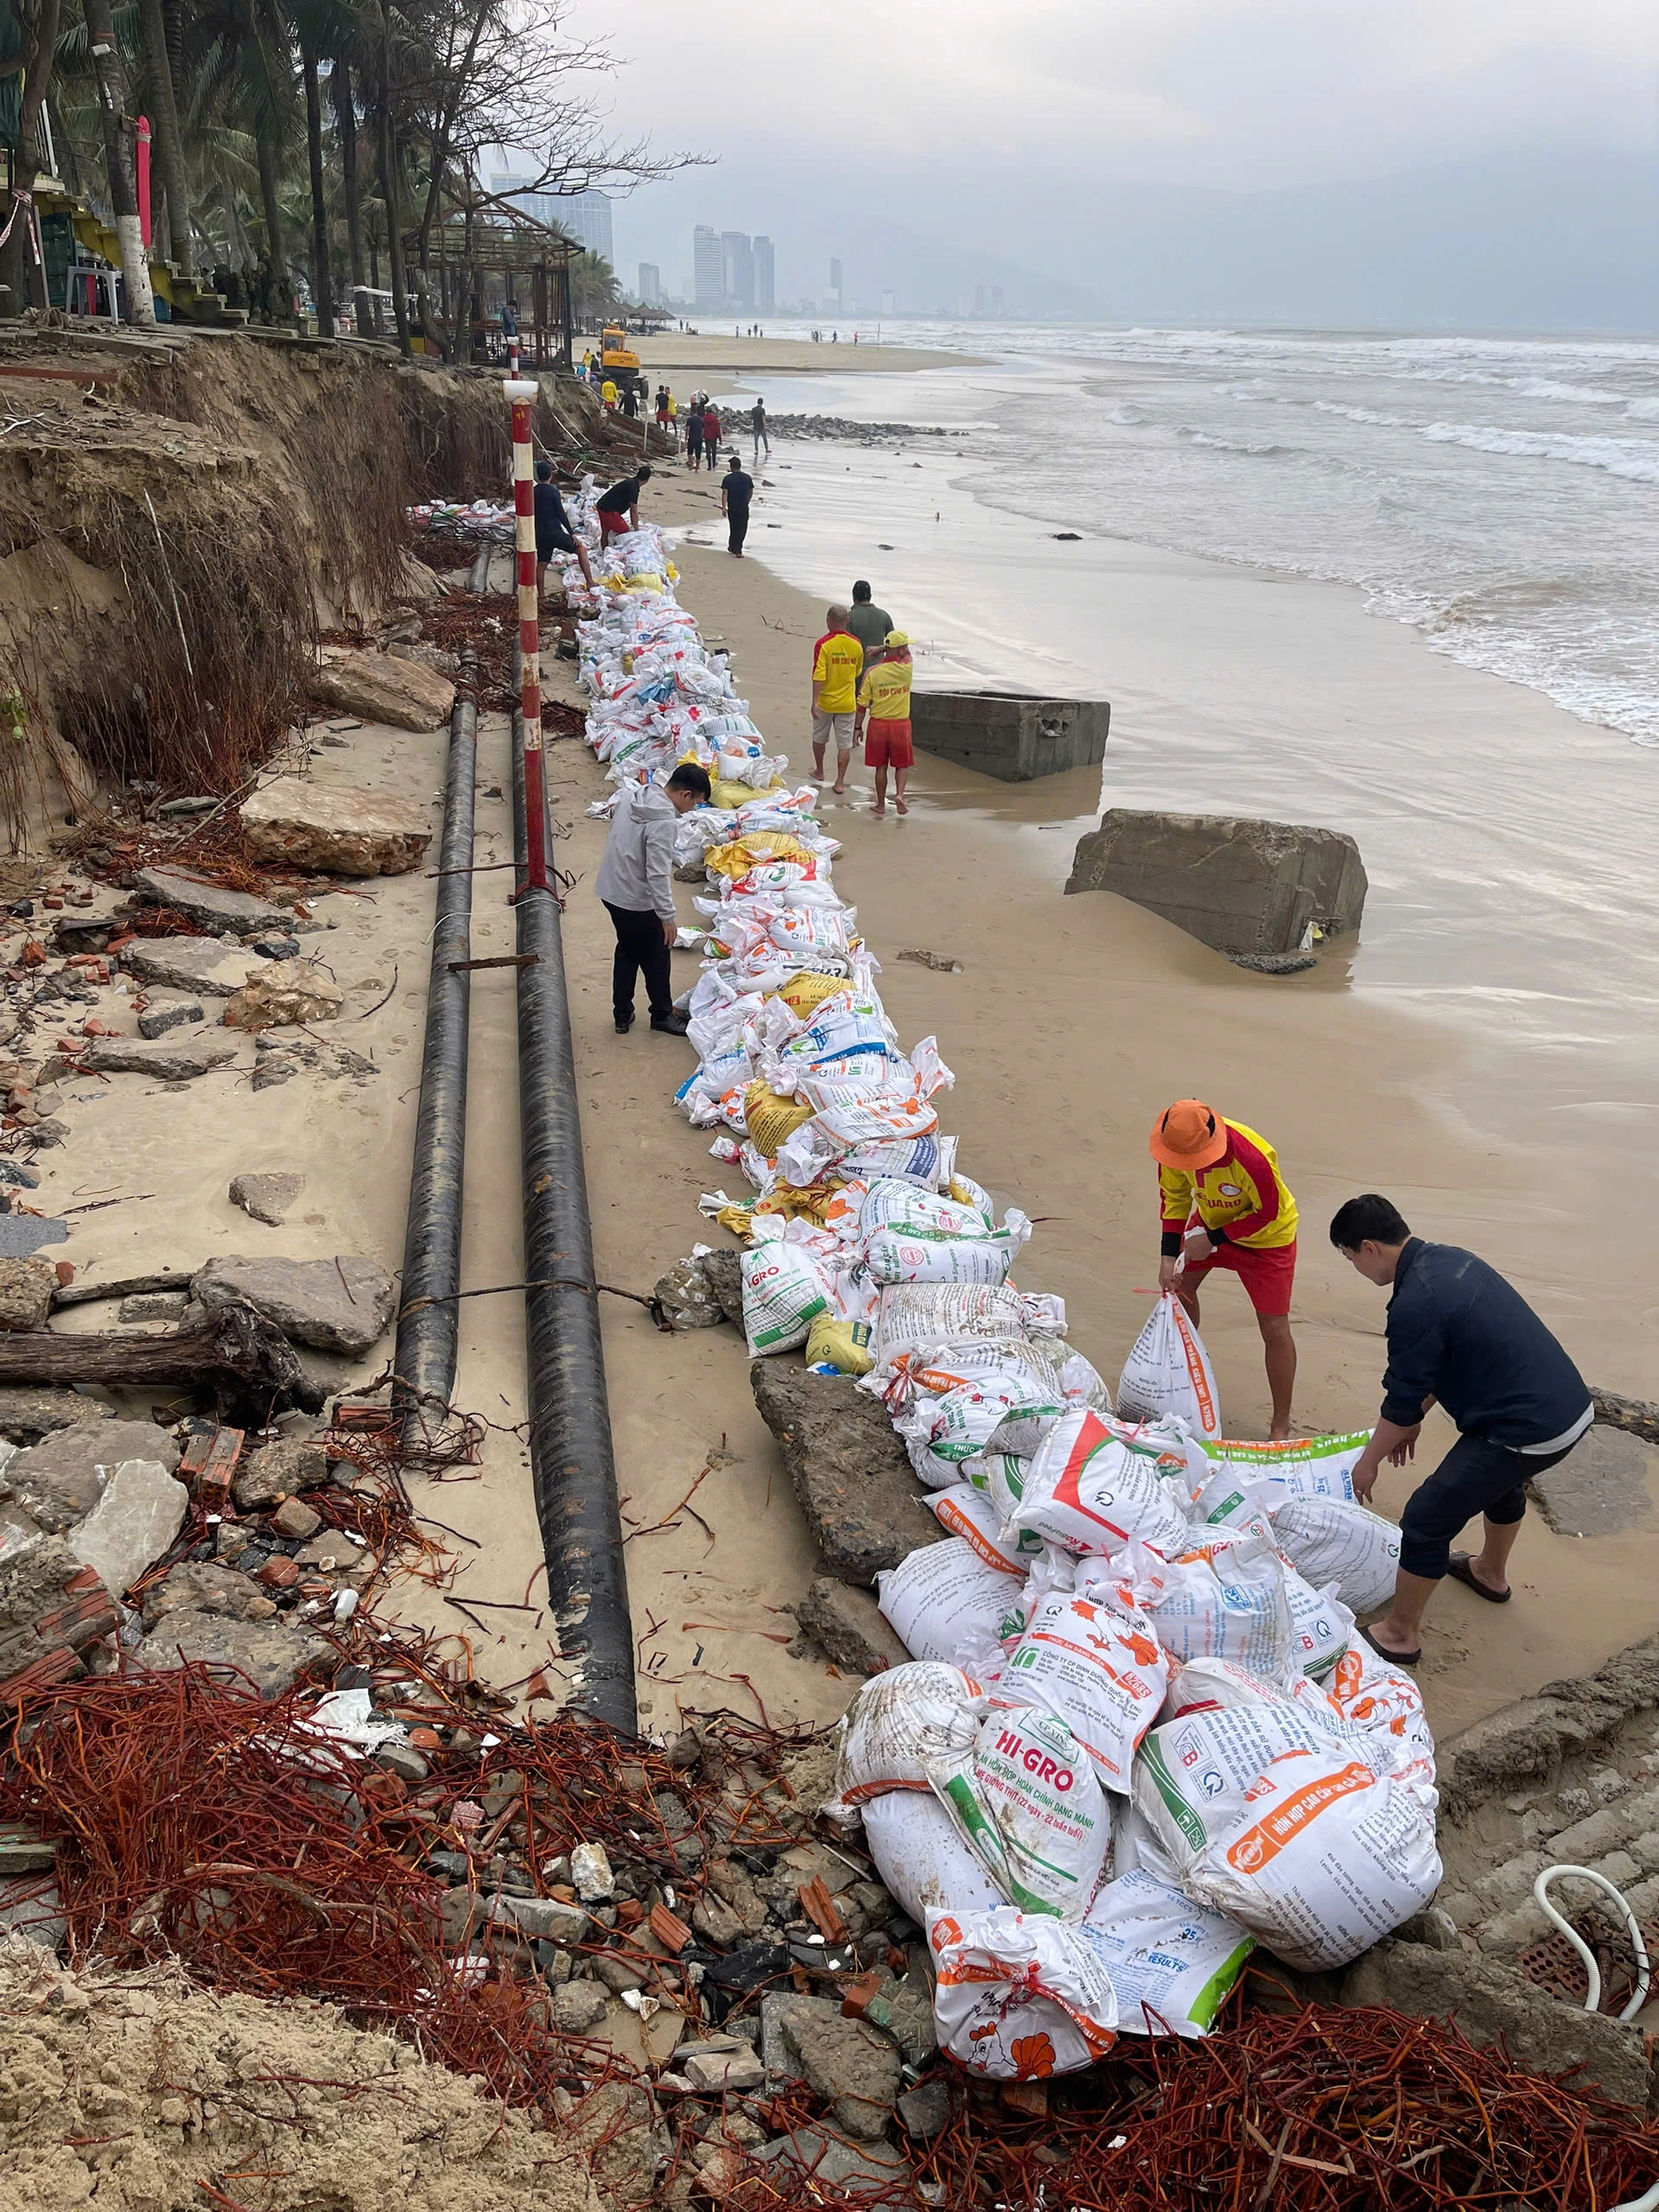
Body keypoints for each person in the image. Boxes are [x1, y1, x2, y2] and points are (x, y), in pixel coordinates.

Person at [1330, 1195, 1593, 1667]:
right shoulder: (1451, 1260)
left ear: (1369, 1248)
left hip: (1526, 1427)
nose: (1355, 1267)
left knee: (1427, 1518)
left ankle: (1399, 1634)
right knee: (1499, 1481)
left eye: (1350, 1257)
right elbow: (1441, 1364)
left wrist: (1367, 1462)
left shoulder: (1412, 1303)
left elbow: (1403, 1397)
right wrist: (1414, 1418)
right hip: (1569, 1408)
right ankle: (1490, 1573)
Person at [1149, 1100, 1300, 1440]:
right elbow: (1174, 1200)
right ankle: (1184, 1385)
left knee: (1274, 1327)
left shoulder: (1251, 1157)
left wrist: (1216, 1239)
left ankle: (1281, 1422)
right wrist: (1167, 1256)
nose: (1185, 1165)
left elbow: (1268, 1211)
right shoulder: (1173, 1150)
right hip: (1209, 1226)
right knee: (1179, 1290)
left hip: (1267, 1239)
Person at [594, 762, 712, 1034]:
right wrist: (667, 917)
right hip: (633, 898)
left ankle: (622, 1014)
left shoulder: (634, 795)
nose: (692, 809)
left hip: (610, 888)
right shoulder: (663, 822)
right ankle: (661, 1014)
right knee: (658, 953)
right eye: (695, 802)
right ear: (685, 794)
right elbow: (657, 874)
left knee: (627, 948)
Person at [855, 629, 914, 817]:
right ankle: (899, 795)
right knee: (901, 765)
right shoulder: (907, 668)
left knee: (881, 766)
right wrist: (884, 648)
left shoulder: (872, 672)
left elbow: (862, 704)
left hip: (878, 725)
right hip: (900, 724)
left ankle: (880, 804)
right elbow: (908, 655)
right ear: (902, 648)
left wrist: (857, 728)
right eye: (905, 646)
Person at [810, 607, 863, 793]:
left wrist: (814, 701)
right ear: (846, 621)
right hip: (847, 702)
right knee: (844, 743)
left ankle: (820, 770)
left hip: (826, 701)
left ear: (828, 621)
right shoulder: (856, 644)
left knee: (819, 737)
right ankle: (839, 782)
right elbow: (857, 672)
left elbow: (819, 675)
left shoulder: (823, 644)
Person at [532, 457, 594, 594]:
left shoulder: (533, 492)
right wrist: (572, 533)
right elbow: (561, 514)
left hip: (540, 533)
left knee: (542, 564)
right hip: (555, 532)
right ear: (551, 475)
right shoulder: (553, 492)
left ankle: (541, 595)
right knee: (581, 550)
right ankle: (590, 582)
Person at [594, 464, 652, 548]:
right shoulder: (633, 488)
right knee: (624, 531)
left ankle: (605, 552)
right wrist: (636, 530)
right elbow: (633, 511)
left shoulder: (630, 482)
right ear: (647, 479)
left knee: (606, 531)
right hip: (609, 510)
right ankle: (615, 551)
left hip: (601, 505)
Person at [846, 579, 893, 663]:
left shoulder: (849, 617)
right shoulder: (884, 615)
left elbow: (842, 645)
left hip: (856, 671)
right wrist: (881, 648)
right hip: (878, 670)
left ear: (853, 597)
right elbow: (895, 643)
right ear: (870, 596)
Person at [720, 453, 753, 556]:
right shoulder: (747, 478)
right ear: (740, 465)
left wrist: (724, 507)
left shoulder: (728, 479)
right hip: (744, 506)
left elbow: (725, 493)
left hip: (733, 507)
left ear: (731, 467)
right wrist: (747, 501)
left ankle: (734, 547)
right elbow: (750, 491)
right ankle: (737, 549)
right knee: (742, 528)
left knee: (734, 527)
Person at [702, 400, 721, 471]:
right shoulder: (715, 419)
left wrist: (701, 436)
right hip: (714, 437)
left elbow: (702, 428)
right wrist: (720, 438)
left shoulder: (703, 418)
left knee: (708, 451)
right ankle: (713, 465)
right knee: (714, 451)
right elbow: (717, 429)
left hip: (707, 436)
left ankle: (709, 465)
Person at [685, 401, 703, 471]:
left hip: (692, 438)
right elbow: (703, 429)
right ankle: (697, 466)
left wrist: (686, 438)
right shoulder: (701, 419)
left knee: (690, 452)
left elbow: (688, 429)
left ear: (691, 411)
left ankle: (692, 465)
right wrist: (702, 437)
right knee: (698, 453)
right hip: (699, 438)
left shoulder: (690, 419)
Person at [751, 397, 770, 461]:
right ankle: (766, 449)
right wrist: (765, 426)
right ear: (762, 403)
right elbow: (763, 418)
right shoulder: (762, 410)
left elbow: (752, 417)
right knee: (764, 438)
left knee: (756, 439)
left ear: (757, 402)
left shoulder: (753, 409)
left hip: (755, 426)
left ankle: (756, 451)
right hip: (761, 426)